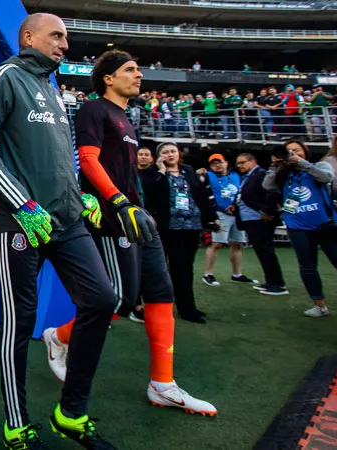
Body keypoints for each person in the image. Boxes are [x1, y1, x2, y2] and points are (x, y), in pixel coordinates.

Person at [0, 13, 116, 449]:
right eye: (57, 36)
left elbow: (60, 157)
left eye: (67, 37)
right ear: (28, 37)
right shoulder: (3, 78)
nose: (65, 44)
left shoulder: (53, 91)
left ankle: (69, 414)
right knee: (19, 321)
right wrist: (21, 202)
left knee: (102, 300)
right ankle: (16, 424)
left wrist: (79, 195)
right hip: (20, 223)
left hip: (66, 222)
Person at [44, 49, 217, 422]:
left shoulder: (126, 117)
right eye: (130, 69)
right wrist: (119, 202)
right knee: (119, 301)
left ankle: (163, 384)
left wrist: (139, 207)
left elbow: (125, 170)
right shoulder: (94, 109)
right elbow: (88, 161)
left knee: (161, 293)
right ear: (108, 77)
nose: (139, 75)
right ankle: (58, 337)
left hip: (139, 217)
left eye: (138, 69)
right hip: (111, 217)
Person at [263, 140, 337, 316]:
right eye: (288, 151)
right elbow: (267, 186)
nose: (292, 153)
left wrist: (301, 163)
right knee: (307, 267)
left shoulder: (319, 165)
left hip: (326, 224)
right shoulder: (283, 173)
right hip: (298, 226)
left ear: (305, 151)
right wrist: (275, 167)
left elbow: (326, 177)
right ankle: (319, 304)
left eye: (297, 150)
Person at [140, 143, 218, 322]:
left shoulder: (188, 170)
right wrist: (161, 171)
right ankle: (177, 307)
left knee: (186, 267)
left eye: (173, 151)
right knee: (173, 267)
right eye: (165, 152)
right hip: (169, 226)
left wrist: (211, 217)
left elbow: (200, 195)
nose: (170, 155)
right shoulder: (153, 173)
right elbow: (151, 192)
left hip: (192, 225)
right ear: (159, 156)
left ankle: (188, 306)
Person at [199, 153, 258, 287]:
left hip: (236, 213)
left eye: (219, 162)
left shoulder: (236, 176)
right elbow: (199, 184)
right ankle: (208, 273)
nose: (217, 165)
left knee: (237, 243)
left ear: (226, 163)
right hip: (220, 213)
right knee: (216, 243)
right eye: (214, 164)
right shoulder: (209, 176)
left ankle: (237, 274)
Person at [234, 153, 288, 295]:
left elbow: (273, 192)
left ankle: (277, 284)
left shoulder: (261, 174)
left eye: (242, 162)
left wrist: (266, 211)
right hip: (251, 219)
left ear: (253, 161)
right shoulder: (249, 176)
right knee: (262, 251)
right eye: (238, 163)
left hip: (259, 219)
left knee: (265, 250)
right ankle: (271, 281)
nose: (239, 166)